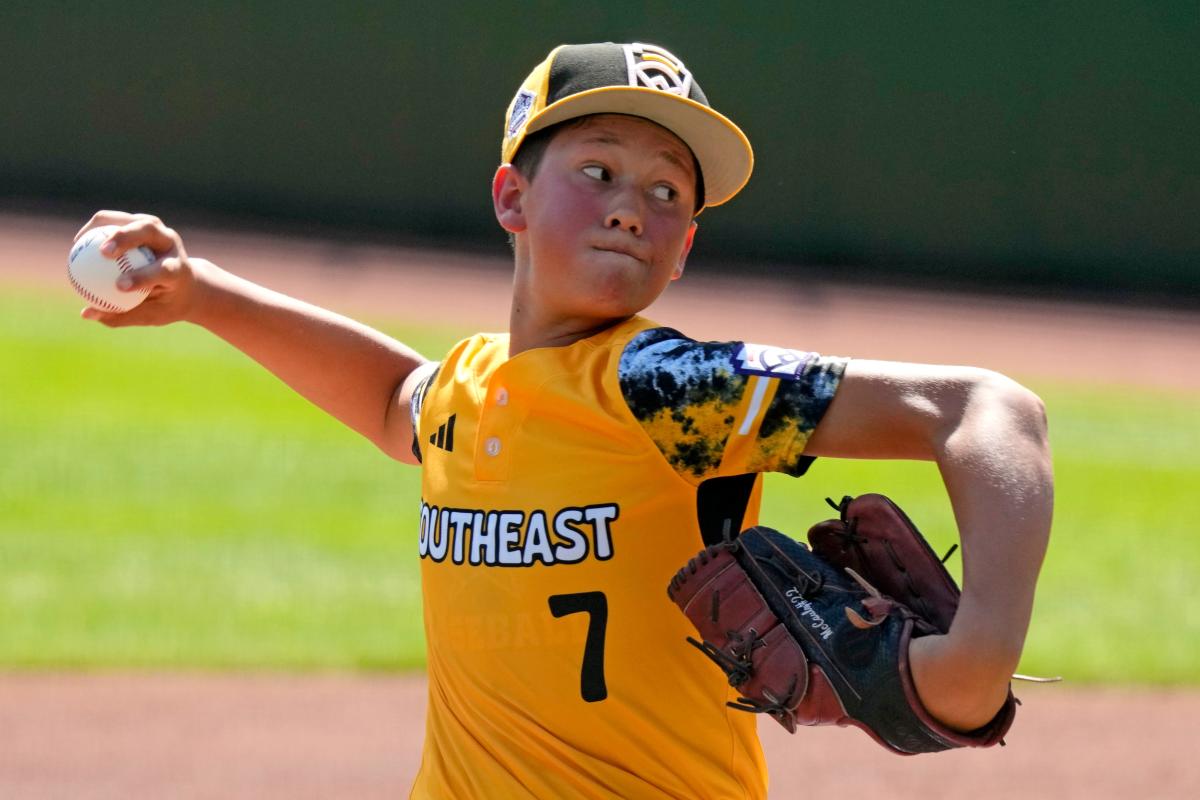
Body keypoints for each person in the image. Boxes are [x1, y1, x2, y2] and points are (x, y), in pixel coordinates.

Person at [76, 41, 1053, 800]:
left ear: (684, 250)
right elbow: (393, 400)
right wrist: (198, 292)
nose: (633, 206)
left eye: (667, 191)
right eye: (598, 170)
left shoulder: (662, 383)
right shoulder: (470, 385)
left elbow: (987, 408)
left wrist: (978, 657)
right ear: (511, 195)